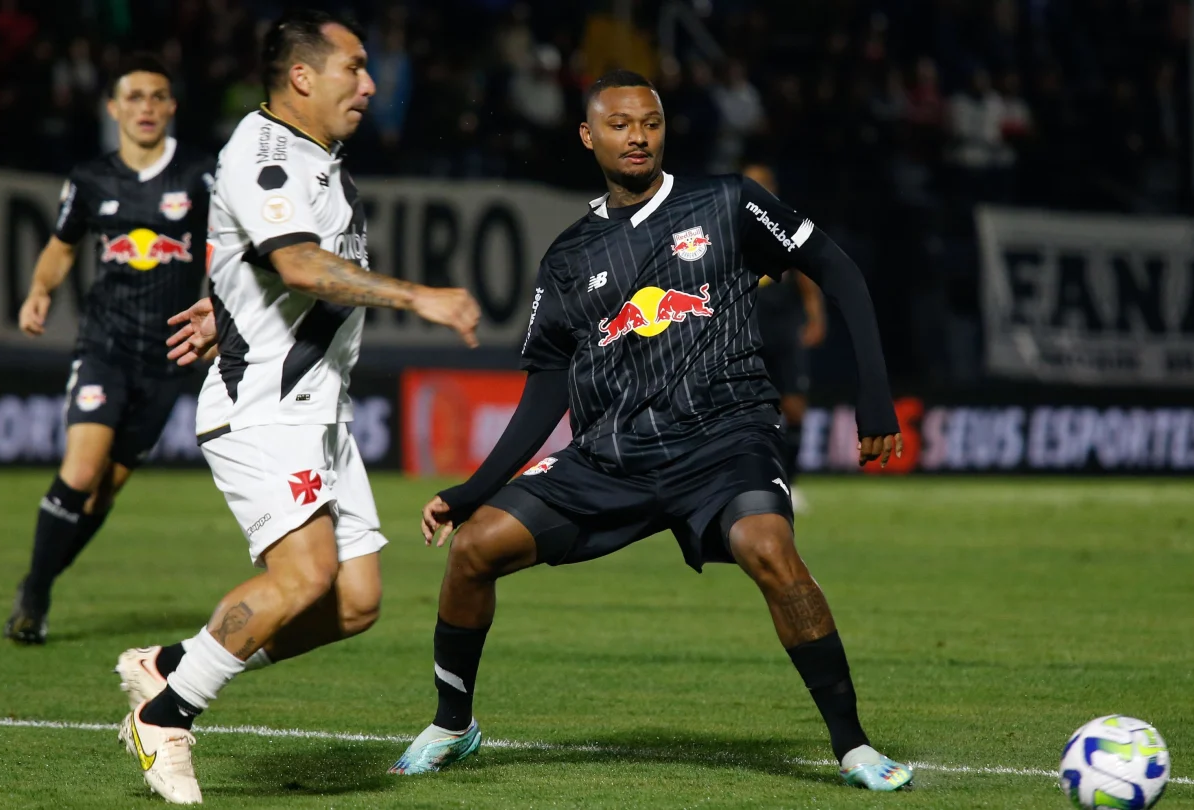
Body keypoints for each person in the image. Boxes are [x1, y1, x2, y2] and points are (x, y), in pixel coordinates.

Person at [389, 70, 913, 793]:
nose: (637, 136)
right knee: (475, 549)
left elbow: (838, 269)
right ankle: (453, 724)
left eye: (651, 123)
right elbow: (546, 389)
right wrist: (475, 488)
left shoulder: (728, 201)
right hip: (612, 456)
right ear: (588, 135)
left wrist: (874, 397)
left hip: (723, 436)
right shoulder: (569, 257)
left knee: (769, 547)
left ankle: (852, 746)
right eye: (620, 124)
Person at [111, 12, 481, 804]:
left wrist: (230, 303)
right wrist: (420, 297)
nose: (371, 84)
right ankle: (168, 717)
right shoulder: (266, 151)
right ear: (304, 76)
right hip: (268, 407)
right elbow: (301, 263)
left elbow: (261, 260)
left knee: (354, 603)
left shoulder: (315, 156)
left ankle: (170, 665)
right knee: (303, 575)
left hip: (318, 410)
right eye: (355, 67)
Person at [4, 55, 217, 646]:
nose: (146, 107)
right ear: (114, 108)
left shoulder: (201, 175)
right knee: (81, 470)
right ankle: (37, 596)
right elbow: (62, 245)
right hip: (105, 345)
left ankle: (38, 582)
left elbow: (228, 248)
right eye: (135, 97)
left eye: (158, 96)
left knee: (106, 490)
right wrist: (39, 291)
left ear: (172, 107)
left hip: (169, 355)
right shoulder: (92, 178)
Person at [745, 162, 826, 513]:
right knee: (747, 410)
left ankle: (789, 482)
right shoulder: (727, 224)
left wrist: (815, 314)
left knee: (794, 407)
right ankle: (750, 480)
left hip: (784, 327)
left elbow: (805, 273)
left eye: (762, 183)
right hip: (746, 329)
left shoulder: (788, 224)